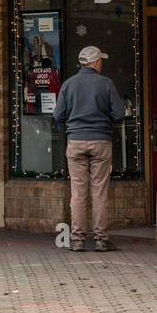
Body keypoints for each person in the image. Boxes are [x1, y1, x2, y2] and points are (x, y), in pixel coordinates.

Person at [53, 45, 126, 253]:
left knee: (78, 193)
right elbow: (119, 113)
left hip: (75, 141)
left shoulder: (69, 84)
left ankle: (77, 239)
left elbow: (58, 115)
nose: (102, 63)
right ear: (95, 62)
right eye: (101, 60)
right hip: (101, 142)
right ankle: (101, 239)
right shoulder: (106, 84)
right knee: (99, 192)